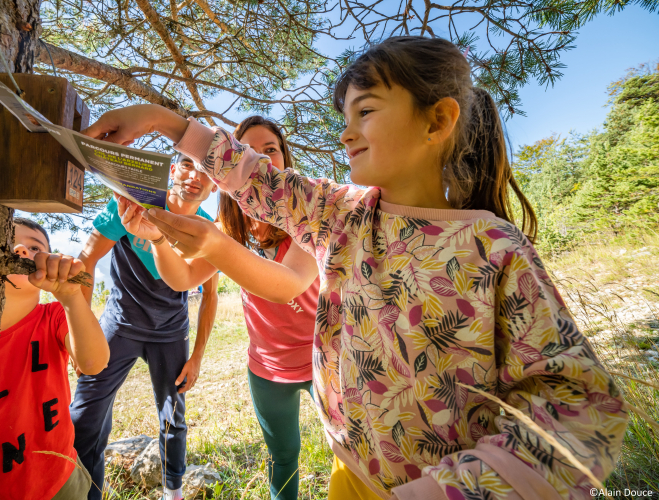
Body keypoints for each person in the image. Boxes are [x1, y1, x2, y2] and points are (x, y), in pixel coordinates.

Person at [81, 35, 629, 499]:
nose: (346, 133)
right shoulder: (341, 216)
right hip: (352, 475)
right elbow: (260, 183)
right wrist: (164, 122)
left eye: (365, 111)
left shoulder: (492, 247)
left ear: (437, 121)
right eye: (344, 117)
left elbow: (579, 409)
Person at [114, 116, 320, 500]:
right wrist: (158, 237)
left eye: (270, 150)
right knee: (283, 457)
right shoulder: (230, 230)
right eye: (248, 151)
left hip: (323, 359)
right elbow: (183, 279)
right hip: (268, 369)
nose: (260, 158)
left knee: (350, 451)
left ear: (284, 160)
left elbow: (286, 287)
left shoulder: (305, 216)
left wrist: (214, 243)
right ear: (228, 166)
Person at [71, 155, 219, 500]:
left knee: (173, 416)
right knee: (86, 415)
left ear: (216, 184)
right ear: (172, 170)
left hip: (170, 333)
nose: (195, 175)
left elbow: (209, 295)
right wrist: (80, 334)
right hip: (119, 324)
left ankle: (173, 491)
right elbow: (86, 259)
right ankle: (85, 489)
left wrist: (197, 356)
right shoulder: (132, 201)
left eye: (207, 171)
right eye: (186, 164)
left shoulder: (208, 230)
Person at [0, 218, 109, 500]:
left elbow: (94, 363)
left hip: (61, 479)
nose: (21, 250)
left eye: (35, 248)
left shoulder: (54, 316)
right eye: (11, 242)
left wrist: (70, 297)